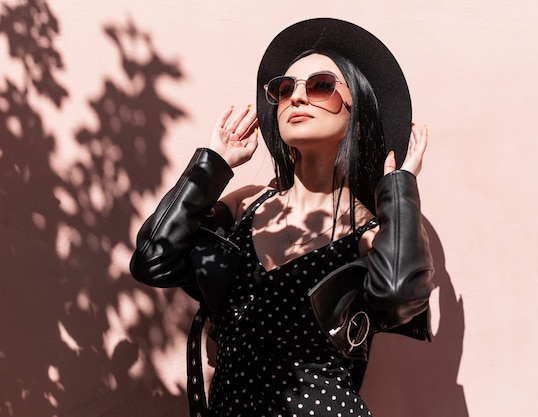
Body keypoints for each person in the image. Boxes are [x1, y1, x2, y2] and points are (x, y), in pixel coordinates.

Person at [130, 18, 434, 417]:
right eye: (285, 88)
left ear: (357, 119)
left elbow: (398, 294)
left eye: (321, 85)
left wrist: (399, 189)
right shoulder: (247, 205)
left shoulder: (368, 235)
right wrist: (213, 166)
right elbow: (153, 260)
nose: (298, 97)